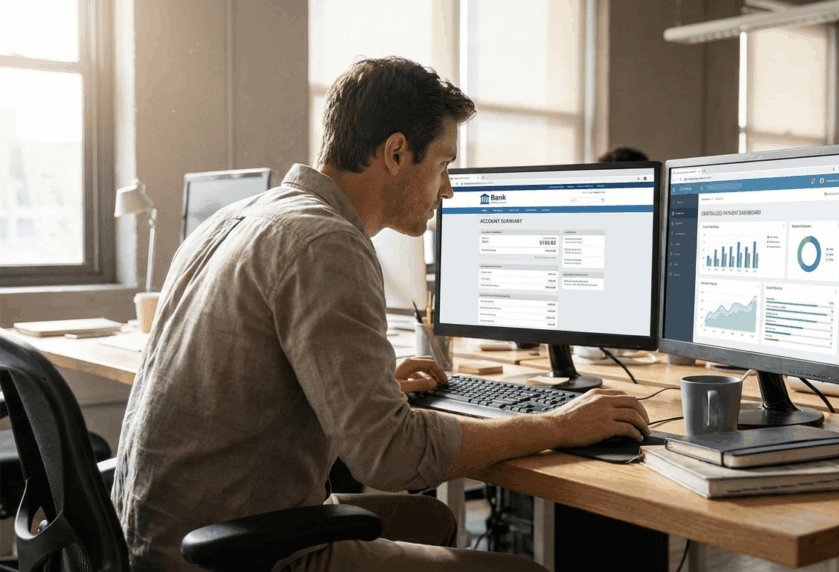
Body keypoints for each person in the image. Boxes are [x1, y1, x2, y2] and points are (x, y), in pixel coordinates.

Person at [112, 56, 650, 572]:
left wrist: (368, 385)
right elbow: (390, 458)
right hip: (233, 556)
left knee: (431, 519)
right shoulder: (325, 242)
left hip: (151, 534)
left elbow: (256, 374)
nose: (448, 188)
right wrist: (557, 424)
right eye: (442, 164)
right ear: (395, 153)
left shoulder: (239, 217)